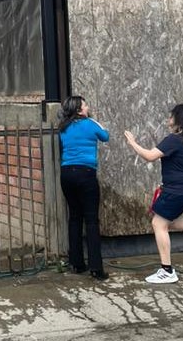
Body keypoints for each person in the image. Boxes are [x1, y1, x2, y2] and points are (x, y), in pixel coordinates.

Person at [124, 103, 183, 284]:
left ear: (179, 120)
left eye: (171, 116)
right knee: (166, 220)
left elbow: (150, 156)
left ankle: (167, 271)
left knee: (158, 223)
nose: (169, 120)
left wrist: (133, 143)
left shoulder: (174, 140)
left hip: (180, 189)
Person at [58, 95, 110, 280]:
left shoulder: (63, 128)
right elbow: (106, 135)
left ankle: (76, 263)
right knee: (91, 221)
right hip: (85, 173)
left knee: (74, 217)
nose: (88, 107)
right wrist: (93, 119)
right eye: (85, 105)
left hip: (66, 174)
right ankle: (96, 267)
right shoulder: (90, 124)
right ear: (80, 110)